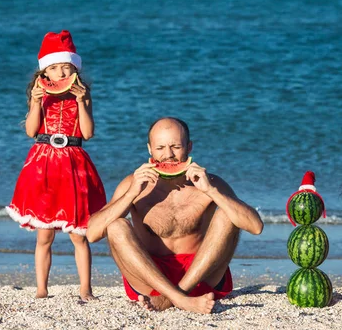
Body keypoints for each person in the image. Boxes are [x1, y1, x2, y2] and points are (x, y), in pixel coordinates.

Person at [86, 117, 264, 314]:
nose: (168, 155)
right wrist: (131, 194)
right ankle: (180, 298)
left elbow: (256, 227)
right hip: (149, 279)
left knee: (228, 213)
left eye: (175, 146)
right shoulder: (133, 184)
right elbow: (92, 234)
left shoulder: (210, 182)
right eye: (160, 148)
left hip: (202, 276)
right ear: (149, 149)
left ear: (189, 147)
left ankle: (174, 297)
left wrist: (212, 191)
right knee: (116, 225)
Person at [7, 30, 107, 301]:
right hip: (44, 165)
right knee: (44, 237)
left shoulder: (83, 96)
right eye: (54, 68)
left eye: (66, 67)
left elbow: (87, 133)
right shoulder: (39, 95)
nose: (61, 73)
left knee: (78, 236)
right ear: (44, 73)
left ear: (75, 68)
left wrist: (82, 102)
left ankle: (85, 289)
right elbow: (30, 131)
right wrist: (36, 101)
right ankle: (41, 289)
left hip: (74, 163)